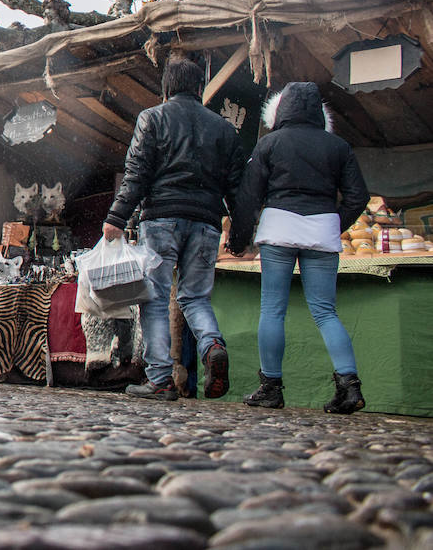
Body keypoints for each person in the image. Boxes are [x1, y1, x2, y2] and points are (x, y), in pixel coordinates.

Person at [103, 58, 245, 402]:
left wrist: (116, 217)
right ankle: (212, 345)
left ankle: (160, 380)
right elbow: (237, 186)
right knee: (195, 297)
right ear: (200, 89)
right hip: (207, 222)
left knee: (153, 300)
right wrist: (240, 230)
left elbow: (137, 172)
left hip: (162, 218)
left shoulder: (152, 118)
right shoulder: (225, 129)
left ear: (165, 88)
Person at [231, 81, 370, 414]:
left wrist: (238, 238)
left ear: (281, 110)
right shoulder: (338, 147)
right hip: (322, 230)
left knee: (272, 310)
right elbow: (358, 196)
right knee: (325, 312)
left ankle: (271, 388)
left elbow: (248, 195)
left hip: (279, 227)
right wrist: (335, 222)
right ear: (318, 112)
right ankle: (349, 387)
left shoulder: (269, 144)